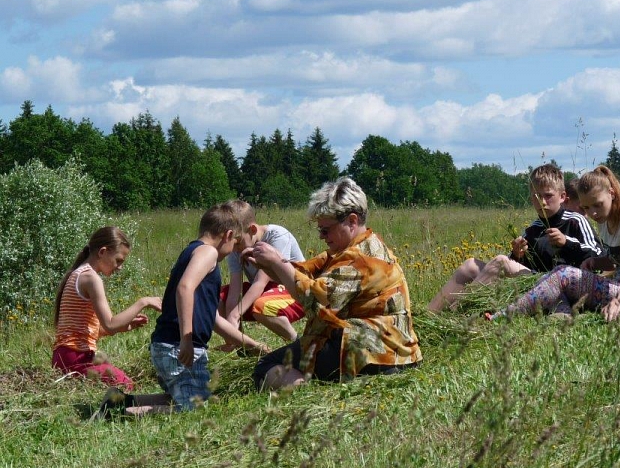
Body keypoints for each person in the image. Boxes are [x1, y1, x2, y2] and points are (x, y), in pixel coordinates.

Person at [91, 202, 269, 418]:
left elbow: (212, 317)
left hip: (168, 346)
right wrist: (187, 338)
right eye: (235, 242)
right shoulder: (208, 253)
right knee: (194, 409)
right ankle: (117, 414)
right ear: (227, 235)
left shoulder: (193, 252)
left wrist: (250, 344)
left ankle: (119, 401)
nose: (233, 249)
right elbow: (184, 288)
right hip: (178, 347)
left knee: (180, 398)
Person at [246, 177, 422, 390]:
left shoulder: (360, 260)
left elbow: (314, 300)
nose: (321, 236)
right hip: (395, 351)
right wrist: (268, 264)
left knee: (266, 366)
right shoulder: (363, 246)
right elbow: (304, 270)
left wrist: (276, 262)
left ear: (352, 221)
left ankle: (303, 392)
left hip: (370, 352)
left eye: (326, 229)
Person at [487, 165, 620, 322]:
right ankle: (562, 312)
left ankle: (502, 316)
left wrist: (617, 303)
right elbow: (618, 260)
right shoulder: (606, 221)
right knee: (555, 273)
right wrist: (597, 263)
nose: (593, 213)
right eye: (587, 208)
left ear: (611, 194)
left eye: (598, 205)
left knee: (564, 275)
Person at [427, 164, 601, 312]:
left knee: (501, 262)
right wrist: (518, 255)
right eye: (536, 196)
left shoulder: (575, 221)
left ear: (562, 197)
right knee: (470, 266)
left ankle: (457, 312)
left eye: (548, 196)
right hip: (536, 282)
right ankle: (428, 314)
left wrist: (567, 243)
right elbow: (524, 267)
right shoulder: (533, 229)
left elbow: (597, 256)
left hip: (564, 286)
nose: (542, 202)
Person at [52, 226, 162, 390]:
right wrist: (143, 301)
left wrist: (127, 325)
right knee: (125, 385)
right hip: (74, 357)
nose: (119, 267)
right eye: (118, 260)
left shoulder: (79, 273)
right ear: (102, 252)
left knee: (121, 381)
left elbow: (99, 329)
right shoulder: (90, 278)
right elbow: (110, 323)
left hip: (64, 356)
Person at [219, 200, 305, 344]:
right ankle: (242, 346)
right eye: (232, 242)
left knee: (261, 306)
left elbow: (260, 282)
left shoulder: (276, 236)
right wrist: (231, 327)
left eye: (238, 242)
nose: (235, 248)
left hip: (295, 291)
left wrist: (234, 315)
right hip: (265, 292)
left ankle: (298, 345)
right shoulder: (235, 247)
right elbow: (235, 290)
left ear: (252, 230)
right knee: (218, 297)